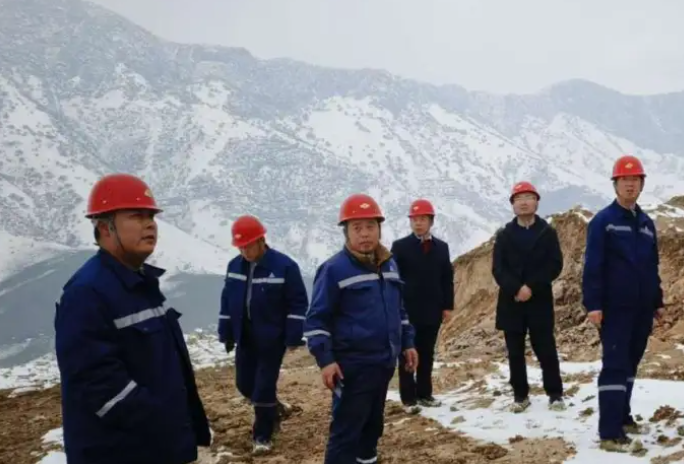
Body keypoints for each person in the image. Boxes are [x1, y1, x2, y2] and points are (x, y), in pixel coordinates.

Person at [54, 174, 212, 464]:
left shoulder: (142, 284)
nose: (149, 224)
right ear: (105, 227)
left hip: (161, 446)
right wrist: (162, 423)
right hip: (123, 452)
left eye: (151, 216)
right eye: (136, 216)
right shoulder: (86, 293)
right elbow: (98, 385)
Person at [304, 193, 419, 464]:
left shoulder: (389, 264)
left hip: (384, 363)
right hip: (352, 367)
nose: (365, 234)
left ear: (379, 228)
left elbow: (399, 310)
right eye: (357, 228)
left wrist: (407, 343)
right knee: (346, 432)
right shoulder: (334, 269)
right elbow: (316, 321)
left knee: (372, 427)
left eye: (370, 226)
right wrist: (326, 360)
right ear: (346, 232)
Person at [582, 156, 664, 452]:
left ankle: (623, 416)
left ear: (642, 184)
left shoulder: (645, 223)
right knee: (615, 366)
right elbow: (593, 265)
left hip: (642, 309)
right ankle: (609, 432)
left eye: (635, 180)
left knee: (630, 364)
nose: (630, 184)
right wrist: (593, 304)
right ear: (615, 184)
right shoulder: (603, 221)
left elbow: (652, 266)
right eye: (625, 180)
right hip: (615, 308)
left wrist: (657, 301)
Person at [217, 214, 309, 453]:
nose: (244, 251)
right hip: (245, 337)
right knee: (244, 385)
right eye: (240, 247)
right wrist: (226, 332)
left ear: (261, 240)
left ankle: (263, 436)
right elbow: (227, 301)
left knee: (263, 388)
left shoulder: (285, 267)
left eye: (248, 245)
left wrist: (293, 335)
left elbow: (298, 302)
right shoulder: (234, 266)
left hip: (272, 338)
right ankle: (274, 409)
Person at [491, 181, 566, 413]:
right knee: (515, 352)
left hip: (539, 299)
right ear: (512, 205)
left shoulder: (547, 232)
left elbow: (555, 264)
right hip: (511, 301)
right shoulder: (504, 235)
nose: (523, 203)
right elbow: (498, 269)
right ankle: (520, 395)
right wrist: (516, 288)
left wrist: (531, 287)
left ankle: (555, 394)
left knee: (546, 348)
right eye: (518, 199)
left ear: (536, 202)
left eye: (528, 197)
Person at [391, 198, 454, 411]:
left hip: (433, 310)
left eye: (422, 219)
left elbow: (447, 278)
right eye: (414, 219)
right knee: (408, 353)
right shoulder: (400, 247)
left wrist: (447, 306)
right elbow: (394, 279)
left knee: (427, 353)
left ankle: (425, 394)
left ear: (431, 221)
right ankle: (408, 399)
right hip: (407, 310)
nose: (418, 223)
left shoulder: (442, 248)